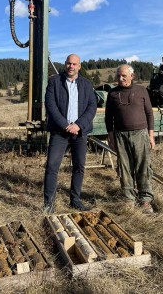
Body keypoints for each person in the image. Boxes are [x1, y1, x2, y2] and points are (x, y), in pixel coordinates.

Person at [43, 53, 97, 213]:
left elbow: (92, 107)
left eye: (74, 64)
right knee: (52, 166)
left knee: (79, 166)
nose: (71, 66)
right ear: (65, 64)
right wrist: (66, 125)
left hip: (80, 132)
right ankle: (48, 205)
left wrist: (78, 125)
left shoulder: (87, 85)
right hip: (60, 132)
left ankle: (75, 200)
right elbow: (51, 106)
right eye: (69, 63)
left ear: (79, 66)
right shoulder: (54, 82)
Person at [105, 64, 155, 214]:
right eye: (118, 76)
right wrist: (111, 136)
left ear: (132, 76)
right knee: (125, 167)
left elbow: (149, 114)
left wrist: (151, 136)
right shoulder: (112, 93)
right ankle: (129, 199)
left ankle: (145, 199)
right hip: (120, 135)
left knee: (143, 166)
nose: (120, 79)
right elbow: (108, 117)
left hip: (140, 133)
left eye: (124, 76)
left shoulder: (141, 91)